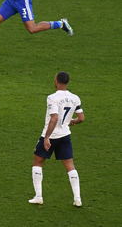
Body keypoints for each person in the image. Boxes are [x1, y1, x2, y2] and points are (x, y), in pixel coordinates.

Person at [29, 71, 84, 207]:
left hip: (51, 135)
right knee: (70, 167)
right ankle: (77, 198)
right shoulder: (75, 98)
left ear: (56, 81)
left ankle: (38, 196)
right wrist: (73, 121)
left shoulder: (52, 97)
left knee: (37, 163)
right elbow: (81, 118)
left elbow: (54, 117)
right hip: (65, 135)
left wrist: (47, 137)